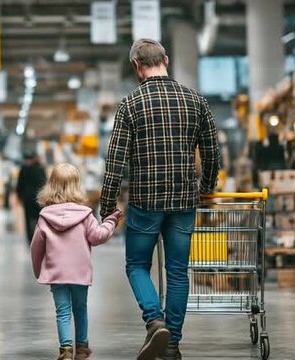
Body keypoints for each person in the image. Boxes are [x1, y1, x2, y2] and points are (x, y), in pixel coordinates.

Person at [98, 39, 221, 360]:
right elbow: (211, 154)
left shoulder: (130, 104)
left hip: (145, 201)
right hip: (184, 199)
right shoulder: (196, 101)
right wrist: (207, 189)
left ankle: (155, 321)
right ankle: (173, 344)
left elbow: (115, 161)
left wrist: (107, 205)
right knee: (178, 271)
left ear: (136, 66)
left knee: (138, 265)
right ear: (166, 59)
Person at [30, 163, 123, 360]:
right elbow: (98, 236)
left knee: (62, 311)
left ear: (51, 185)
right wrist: (111, 221)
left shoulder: (45, 217)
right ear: (76, 186)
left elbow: (36, 247)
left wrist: (38, 270)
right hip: (80, 272)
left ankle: (65, 350)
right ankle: (81, 348)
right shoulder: (85, 215)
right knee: (80, 308)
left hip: (56, 273)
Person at [16, 151, 47, 243]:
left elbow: (20, 184)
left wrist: (20, 196)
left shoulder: (24, 168)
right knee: (40, 217)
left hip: (27, 197)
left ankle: (30, 238)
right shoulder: (40, 168)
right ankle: (40, 235)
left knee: (28, 218)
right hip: (39, 197)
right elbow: (44, 183)